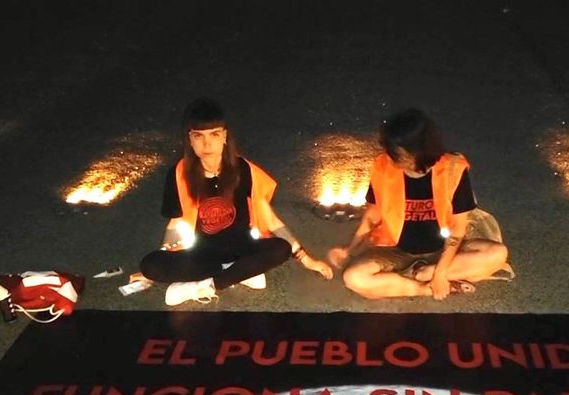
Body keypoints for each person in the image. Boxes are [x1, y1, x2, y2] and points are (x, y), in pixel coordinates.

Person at [140, 98, 332, 305]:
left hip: (243, 247)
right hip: (203, 255)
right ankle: (238, 273)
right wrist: (164, 255)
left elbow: (271, 220)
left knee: (281, 248)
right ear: (190, 139)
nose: (207, 144)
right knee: (150, 265)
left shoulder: (243, 169)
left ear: (224, 136)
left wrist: (306, 259)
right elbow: (175, 224)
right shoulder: (179, 174)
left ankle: (207, 285)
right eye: (198, 136)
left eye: (214, 134)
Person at [327, 108, 509, 300]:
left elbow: (457, 228)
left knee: (497, 253)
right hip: (397, 250)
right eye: (392, 150)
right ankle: (423, 288)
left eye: (399, 152)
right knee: (354, 278)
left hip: (446, 250)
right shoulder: (383, 167)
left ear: (421, 149)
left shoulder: (452, 168)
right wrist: (350, 249)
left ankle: (425, 274)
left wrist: (439, 272)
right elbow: (372, 217)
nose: (392, 157)